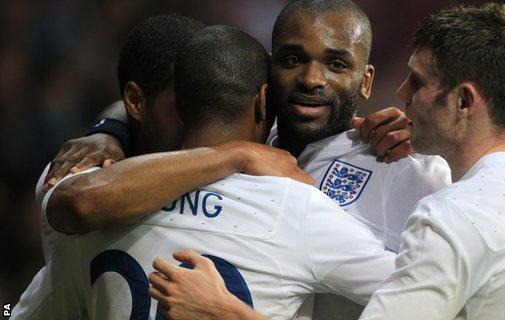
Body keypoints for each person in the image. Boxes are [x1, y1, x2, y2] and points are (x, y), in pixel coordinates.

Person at [150, 3, 505, 320]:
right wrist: (109, 134)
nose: (403, 95)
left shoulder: (449, 211)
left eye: (418, 82)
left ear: (465, 102)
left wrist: (223, 312)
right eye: (292, 59)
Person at [40, 1, 451, 317]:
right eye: (292, 59)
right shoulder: (242, 151)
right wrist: (111, 129)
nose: (311, 79)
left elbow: (441, 302)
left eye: (336, 64)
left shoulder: (408, 166)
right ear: (266, 79)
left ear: (365, 82)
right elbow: (195, 81)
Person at [12, 15, 307, 319]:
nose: (205, 117)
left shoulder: (259, 161)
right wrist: (234, 153)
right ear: (136, 102)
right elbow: (78, 205)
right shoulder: (78, 167)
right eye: (185, 103)